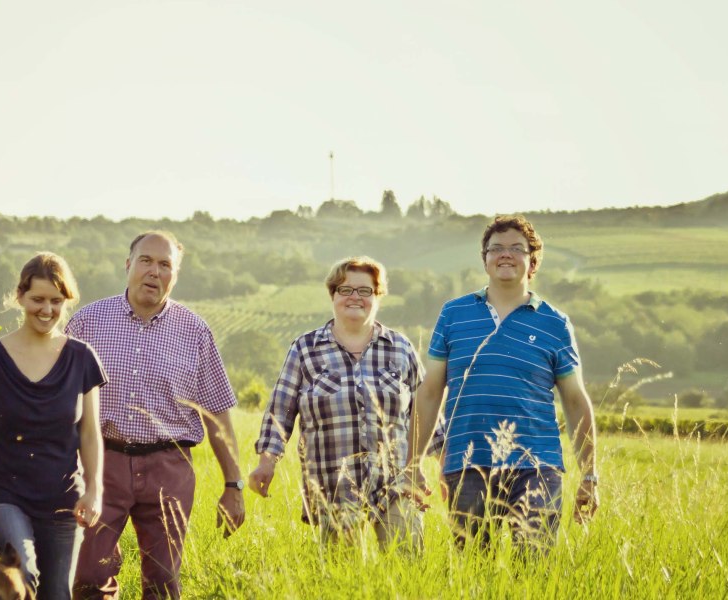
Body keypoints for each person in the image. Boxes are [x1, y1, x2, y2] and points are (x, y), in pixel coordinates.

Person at [66, 230, 244, 600]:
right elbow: (61, 401)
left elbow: (217, 415)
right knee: (86, 576)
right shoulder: (87, 323)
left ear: (174, 276)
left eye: (165, 265)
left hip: (169, 468)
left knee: (162, 582)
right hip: (102, 463)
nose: (154, 271)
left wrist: (233, 486)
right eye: (146, 260)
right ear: (128, 265)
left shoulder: (195, 332)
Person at [409, 214, 599, 551]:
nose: (505, 254)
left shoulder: (555, 322)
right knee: (473, 571)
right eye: (496, 248)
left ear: (533, 261)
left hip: (537, 465)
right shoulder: (454, 314)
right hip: (466, 462)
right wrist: (411, 464)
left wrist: (589, 475)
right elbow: (429, 392)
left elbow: (575, 400)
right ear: (485, 260)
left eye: (517, 248)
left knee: (533, 570)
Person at [0, 252, 106, 600]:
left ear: (66, 301)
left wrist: (94, 490)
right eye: (38, 299)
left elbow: (89, 433)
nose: (47, 309)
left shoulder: (83, 358)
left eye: (56, 301)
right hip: (5, 494)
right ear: (20, 296)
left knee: (56, 594)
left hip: (63, 498)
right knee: (22, 574)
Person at [249, 257, 424, 548]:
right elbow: (280, 411)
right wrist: (266, 462)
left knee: (407, 575)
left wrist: (444, 464)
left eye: (365, 291)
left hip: (396, 484)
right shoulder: (305, 348)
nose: (355, 297)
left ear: (378, 297)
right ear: (333, 295)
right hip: (333, 487)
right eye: (345, 289)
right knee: (342, 580)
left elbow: (425, 410)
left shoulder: (401, 348)